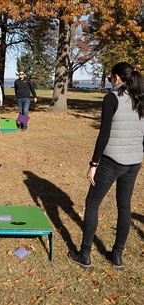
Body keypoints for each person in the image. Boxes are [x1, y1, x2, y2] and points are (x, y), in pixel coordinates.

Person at [69, 62, 144, 269]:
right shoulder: (140, 98)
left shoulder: (112, 98)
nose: (111, 79)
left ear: (117, 77)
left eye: (111, 76)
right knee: (124, 207)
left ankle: (84, 254)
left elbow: (104, 135)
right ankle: (117, 256)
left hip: (112, 161)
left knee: (92, 204)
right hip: (134, 162)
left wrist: (94, 164)